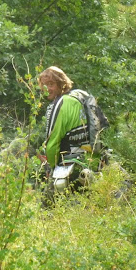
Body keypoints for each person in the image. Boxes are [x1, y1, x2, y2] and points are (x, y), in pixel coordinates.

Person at [38, 66, 94, 205]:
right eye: (44, 86)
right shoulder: (81, 96)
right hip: (90, 162)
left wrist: (50, 166)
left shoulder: (60, 104)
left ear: (61, 83)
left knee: (47, 207)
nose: (47, 89)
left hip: (68, 165)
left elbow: (52, 142)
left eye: (51, 84)